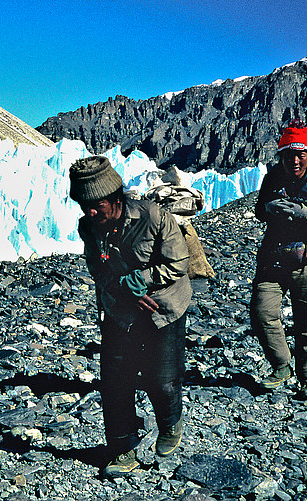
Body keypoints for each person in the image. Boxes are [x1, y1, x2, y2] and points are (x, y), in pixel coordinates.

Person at [69, 155, 192, 477]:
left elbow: (179, 262)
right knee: (115, 384)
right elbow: (96, 266)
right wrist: (121, 288)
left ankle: (170, 424)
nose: (90, 212)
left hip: (163, 308)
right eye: (85, 205)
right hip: (120, 310)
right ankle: (123, 449)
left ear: (115, 199)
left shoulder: (152, 217)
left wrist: (143, 282)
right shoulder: (88, 227)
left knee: (161, 380)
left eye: (97, 205)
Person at [251, 122, 307, 400]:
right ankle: (281, 366)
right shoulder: (271, 180)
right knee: (262, 313)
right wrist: (269, 209)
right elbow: (259, 212)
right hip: (274, 259)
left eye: (301, 154)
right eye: (289, 155)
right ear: (281, 157)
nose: (295, 160)